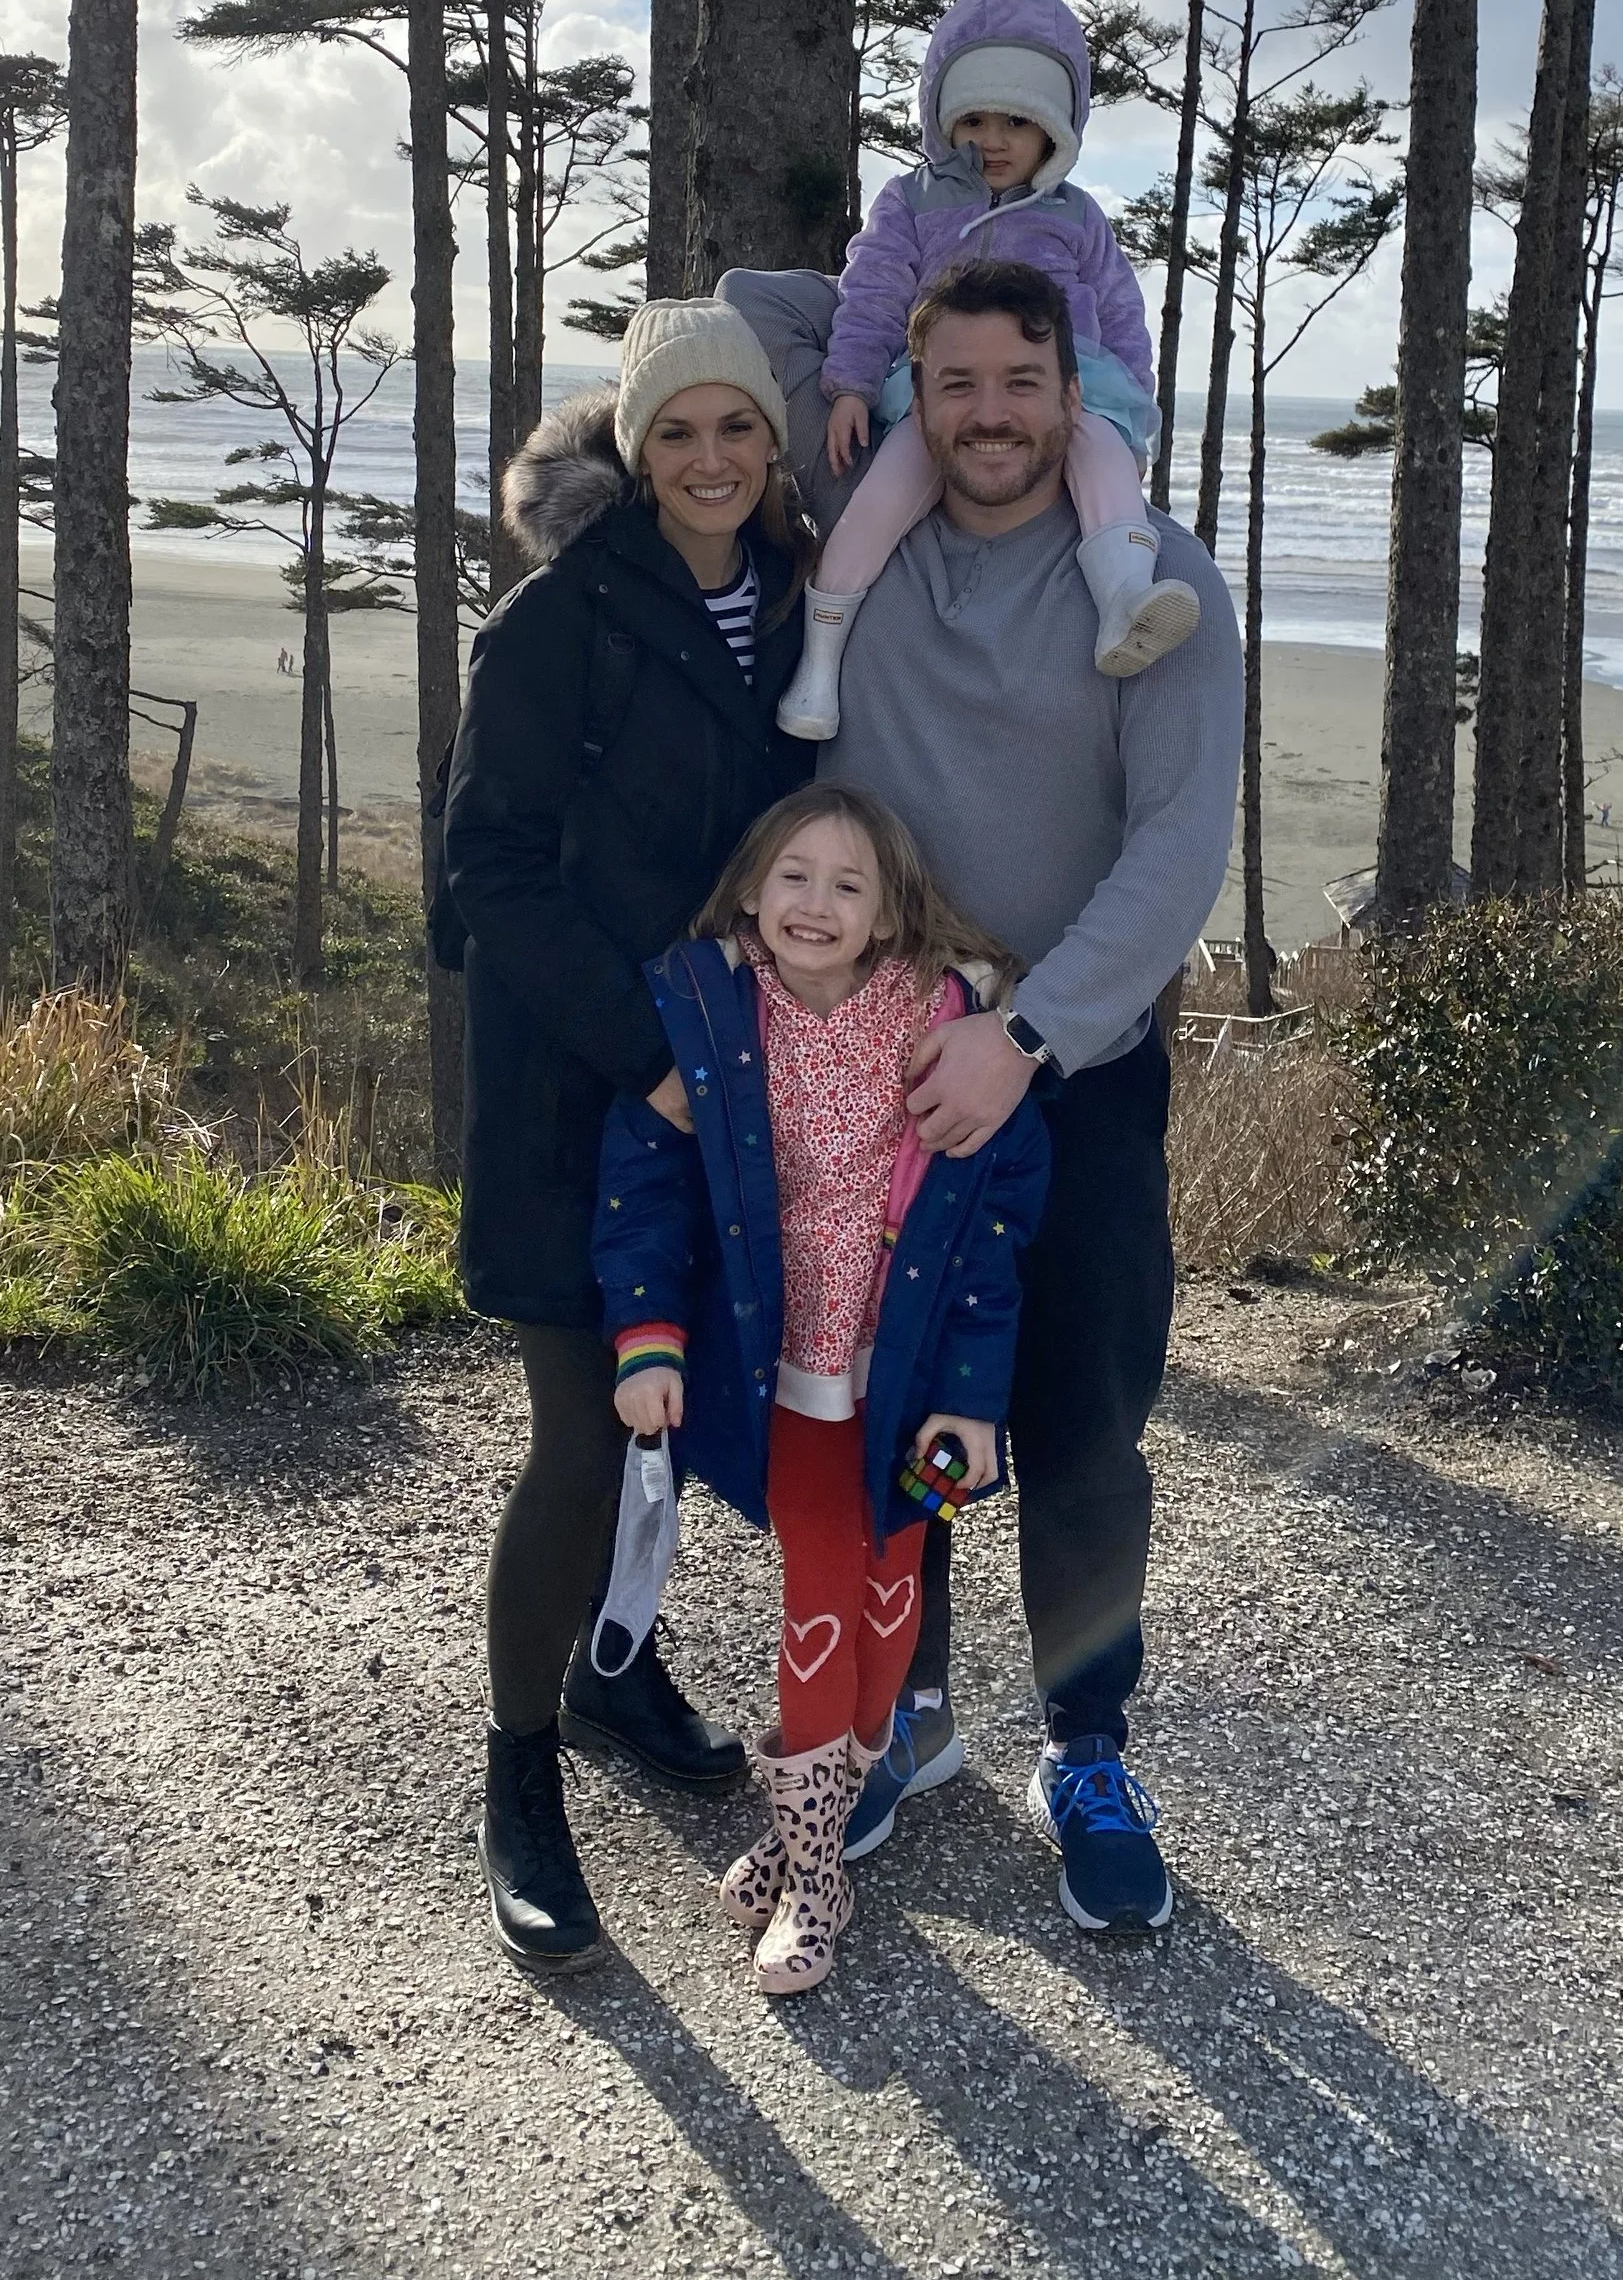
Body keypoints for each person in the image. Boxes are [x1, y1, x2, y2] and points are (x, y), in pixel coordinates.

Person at [805, 262, 1242, 1935]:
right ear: (916, 393)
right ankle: (902, 1714)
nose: (989, 413)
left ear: (1080, 390)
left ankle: (1090, 1743)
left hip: (1083, 1080)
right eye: (956, 381)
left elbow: (1177, 854)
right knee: (893, 1415)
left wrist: (1031, 1036)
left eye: (1021, 380)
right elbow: (754, 337)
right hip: (891, 1072)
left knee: (1077, 1430)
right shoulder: (865, 561)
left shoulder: (1155, 583)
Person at [442, 301, 815, 1969]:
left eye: (740, 427)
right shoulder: (557, 621)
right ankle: (522, 1775)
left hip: (722, 1092)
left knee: (668, 1412)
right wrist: (651, 1051)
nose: (712, 458)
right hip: (570, 1092)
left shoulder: (802, 604)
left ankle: (612, 1666)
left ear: (774, 445)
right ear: (632, 446)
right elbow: (488, 877)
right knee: (587, 1435)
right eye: (678, 431)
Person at [595, 784, 1048, 1994]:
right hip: (785, 1371)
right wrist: (647, 1337)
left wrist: (972, 1396)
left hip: (906, 1378)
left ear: (892, 913)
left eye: (850, 885)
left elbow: (992, 1228)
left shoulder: (943, 1024)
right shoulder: (708, 1016)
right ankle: (817, 1871)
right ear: (751, 890)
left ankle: (811, 1842)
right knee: (820, 1586)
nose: (817, 903)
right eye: (794, 876)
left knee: (892, 1574)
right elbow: (641, 1179)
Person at [770, 0, 1197, 741]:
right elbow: (870, 291)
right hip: (938, 395)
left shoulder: (1077, 215)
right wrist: (850, 385)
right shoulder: (913, 200)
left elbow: (1123, 311)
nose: (993, 140)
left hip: (1074, 387)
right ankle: (821, 662)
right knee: (873, 507)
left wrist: (1133, 410)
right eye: (973, 118)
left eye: (1015, 120)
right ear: (943, 120)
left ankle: (1123, 598)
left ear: (1055, 129)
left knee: (1102, 456)